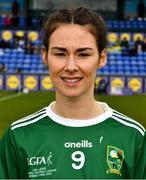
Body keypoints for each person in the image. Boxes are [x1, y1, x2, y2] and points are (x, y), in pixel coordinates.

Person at [0, 7, 145, 179]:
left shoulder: (133, 137)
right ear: (45, 56)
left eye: (83, 54)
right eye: (60, 53)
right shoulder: (18, 137)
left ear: (102, 58)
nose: (70, 67)